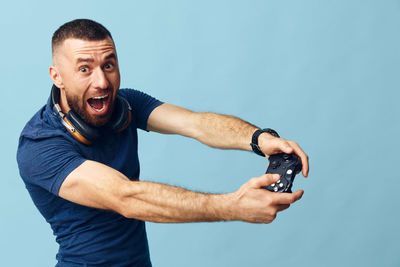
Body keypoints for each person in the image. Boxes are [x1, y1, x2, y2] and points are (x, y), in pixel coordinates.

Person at [17, 19, 309, 267]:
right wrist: (233, 206)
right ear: (58, 77)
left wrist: (259, 139)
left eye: (109, 65)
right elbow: (126, 197)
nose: (102, 82)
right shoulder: (39, 144)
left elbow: (196, 123)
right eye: (85, 69)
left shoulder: (125, 105)